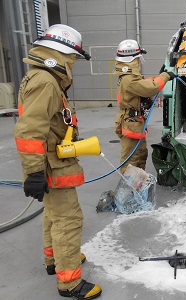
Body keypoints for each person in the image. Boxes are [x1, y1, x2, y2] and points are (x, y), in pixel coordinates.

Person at [13, 24, 102, 299]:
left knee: (53, 216)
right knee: (68, 220)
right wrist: (34, 173)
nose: (73, 62)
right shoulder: (46, 82)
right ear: (62, 53)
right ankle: (70, 282)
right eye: (73, 57)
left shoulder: (39, 77)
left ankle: (55, 262)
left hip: (49, 162)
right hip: (51, 165)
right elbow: (29, 130)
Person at [114, 39, 174, 174]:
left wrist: (158, 77)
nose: (139, 61)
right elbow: (151, 88)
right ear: (133, 59)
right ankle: (130, 190)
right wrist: (165, 76)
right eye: (138, 58)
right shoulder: (129, 79)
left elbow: (143, 85)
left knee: (141, 155)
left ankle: (138, 185)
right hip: (131, 124)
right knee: (131, 160)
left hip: (135, 123)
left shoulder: (129, 77)